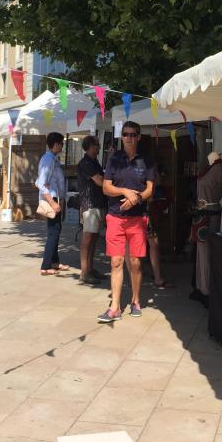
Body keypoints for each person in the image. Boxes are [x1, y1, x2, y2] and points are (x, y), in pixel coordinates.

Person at [98, 121, 155, 322]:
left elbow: (149, 189)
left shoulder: (146, 160)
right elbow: (106, 187)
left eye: (133, 134)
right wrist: (124, 192)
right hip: (115, 216)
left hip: (138, 218)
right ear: (121, 136)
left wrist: (136, 199)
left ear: (139, 137)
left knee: (135, 262)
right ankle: (115, 307)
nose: (129, 138)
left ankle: (136, 300)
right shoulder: (114, 159)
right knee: (116, 261)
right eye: (126, 134)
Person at [36, 131, 68, 276]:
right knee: (53, 232)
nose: (63, 145)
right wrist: (52, 202)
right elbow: (41, 183)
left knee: (56, 230)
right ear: (56, 144)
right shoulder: (48, 160)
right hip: (51, 198)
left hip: (55, 198)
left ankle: (54, 262)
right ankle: (45, 265)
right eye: (62, 143)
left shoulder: (53, 159)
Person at [77, 135, 106, 284]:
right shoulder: (86, 163)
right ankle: (84, 272)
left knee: (94, 237)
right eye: (96, 145)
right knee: (87, 238)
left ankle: (90, 268)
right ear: (89, 146)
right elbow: (100, 181)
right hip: (90, 204)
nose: (99, 147)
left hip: (97, 203)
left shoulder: (94, 162)